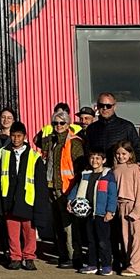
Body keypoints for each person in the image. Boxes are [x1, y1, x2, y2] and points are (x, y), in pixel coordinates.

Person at [0, 121, 48, 270]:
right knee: (12, 231)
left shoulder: (34, 157)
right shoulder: (3, 153)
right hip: (9, 199)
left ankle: (29, 257)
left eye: (19, 136)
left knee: (29, 231)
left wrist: (39, 204)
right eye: (13, 136)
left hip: (27, 199)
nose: (16, 139)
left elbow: (40, 184)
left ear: (25, 136)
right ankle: (15, 257)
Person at [39, 106, 84, 268]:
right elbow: (38, 141)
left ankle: (74, 256)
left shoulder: (74, 142)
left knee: (69, 226)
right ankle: (63, 254)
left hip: (67, 188)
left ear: (68, 124)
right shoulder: (51, 141)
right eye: (55, 123)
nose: (58, 126)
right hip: (52, 187)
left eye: (61, 123)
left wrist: (75, 190)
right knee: (57, 224)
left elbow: (79, 168)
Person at [69, 148, 118, 275]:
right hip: (87, 214)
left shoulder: (108, 176)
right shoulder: (85, 174)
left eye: (98, 158)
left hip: (101, 214)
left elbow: (112, 195)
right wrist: (70, 201)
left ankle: (106, 265)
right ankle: (92, 264)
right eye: (92, 158)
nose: (94, 160)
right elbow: (76, 189)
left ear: (104, 160)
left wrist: (110, 211)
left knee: (103, 241)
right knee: (90, 240)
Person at [113, 140, 140, 276]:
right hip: (119, 205)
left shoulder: (134, 168)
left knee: (136, 237)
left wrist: (137, 209)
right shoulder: (114, 169)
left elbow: (139, 189)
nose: (121, 156)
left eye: (124, 153)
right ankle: (129, 263)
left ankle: (137, 267)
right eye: (118, 154)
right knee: (125, 237)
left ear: (130, 154)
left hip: (132, 204)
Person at [81, 93, 140, 163]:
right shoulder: (91, 128)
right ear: (98, 107)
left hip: (120, 170)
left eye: (108, 106)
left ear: (114, 107)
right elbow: (87, 151)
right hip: (99, 170)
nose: (105, 108)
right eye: (101, 105)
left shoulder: (127, 126)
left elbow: (138, 150)